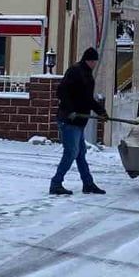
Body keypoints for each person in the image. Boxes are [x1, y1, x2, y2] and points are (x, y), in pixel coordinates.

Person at [50, 47, 107, 195]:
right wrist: (70, 111)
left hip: (79, 121)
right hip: (69, 120)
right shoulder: (75, 72)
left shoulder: (87, 75)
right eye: (95, 61)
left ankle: (88, 184)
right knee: (71, 153)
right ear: (90, 60)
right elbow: (61, 92)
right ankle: (56, 183)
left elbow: (87, 99)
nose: (96, 64)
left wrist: (101, 112)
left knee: (80, 153)